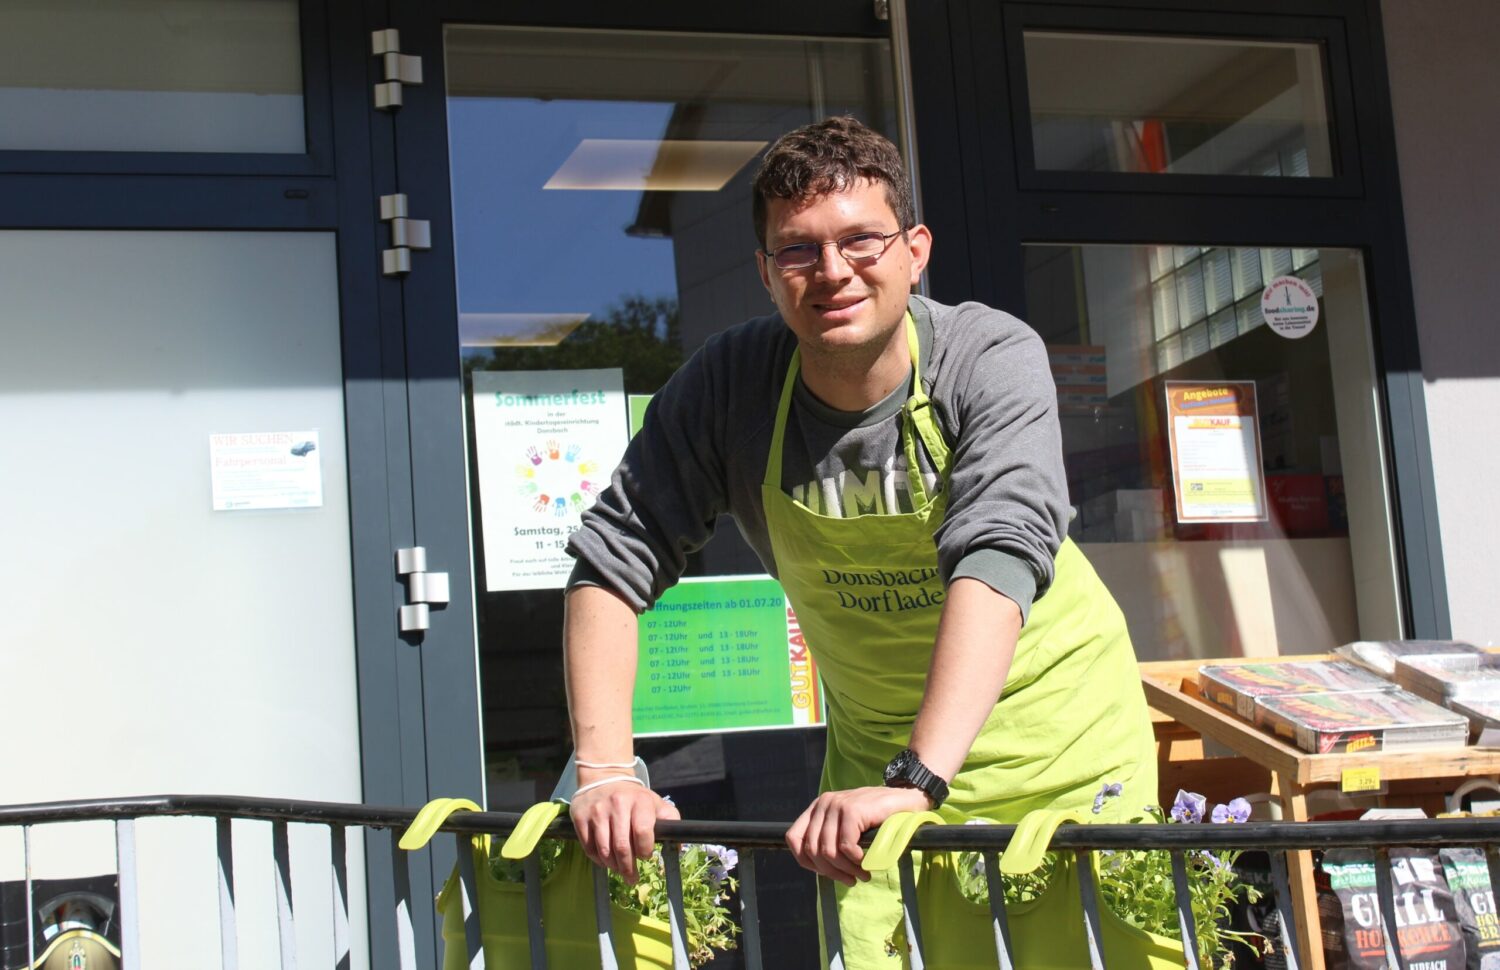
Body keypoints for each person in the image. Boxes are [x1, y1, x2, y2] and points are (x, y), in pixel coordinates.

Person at [561, 115, 1157, 966]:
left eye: (861, 240)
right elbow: (613, 559)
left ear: (916, 250)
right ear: (767, 274)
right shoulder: (731, 389)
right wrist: (607, 770)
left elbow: (998, 555)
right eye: (798, 251)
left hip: (1066, 753)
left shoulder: (985, 357)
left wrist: (919, 778)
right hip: (875, 776)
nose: (832, 272)